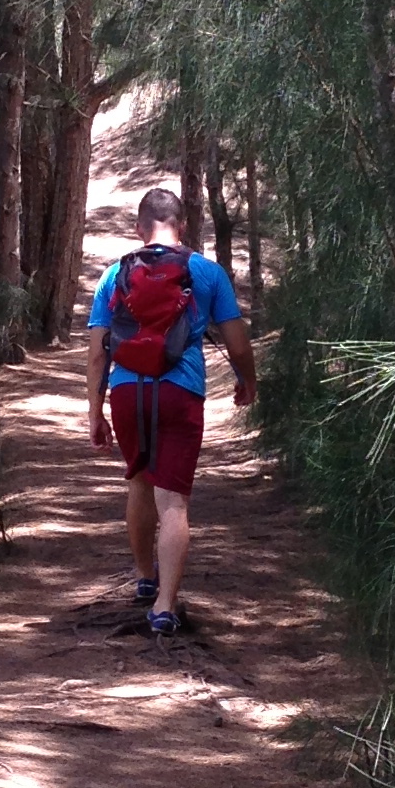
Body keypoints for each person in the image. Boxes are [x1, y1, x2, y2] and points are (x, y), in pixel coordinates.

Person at [85, 185, 256, 636]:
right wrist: (247, 380)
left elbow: (98, 353)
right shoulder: (206, 272)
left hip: (127, 392)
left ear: (138, 228)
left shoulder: (113, 276)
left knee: (140, 482)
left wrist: (95, 412)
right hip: (180, 393)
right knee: (174, 501)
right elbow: (238, 343)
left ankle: (146, 577)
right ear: (182, 226)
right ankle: (164, 607)